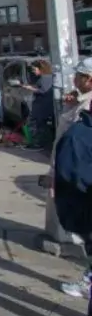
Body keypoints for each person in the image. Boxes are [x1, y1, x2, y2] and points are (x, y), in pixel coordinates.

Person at [55, 59, 92, 300]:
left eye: (79, 75)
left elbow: (77, 150)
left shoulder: (86, 109)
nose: (74, 79)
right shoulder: (80, 102)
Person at [25, 60, 56, 149]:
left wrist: (30, 88)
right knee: (40, 125)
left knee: (39, 124)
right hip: (43, 104)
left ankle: (39, 143)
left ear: (41, 69)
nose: (33, 71)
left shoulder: (45, 77)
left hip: (43, 105)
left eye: (34, 69)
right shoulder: (45, 77)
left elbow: (43, 91)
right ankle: (39, 142)